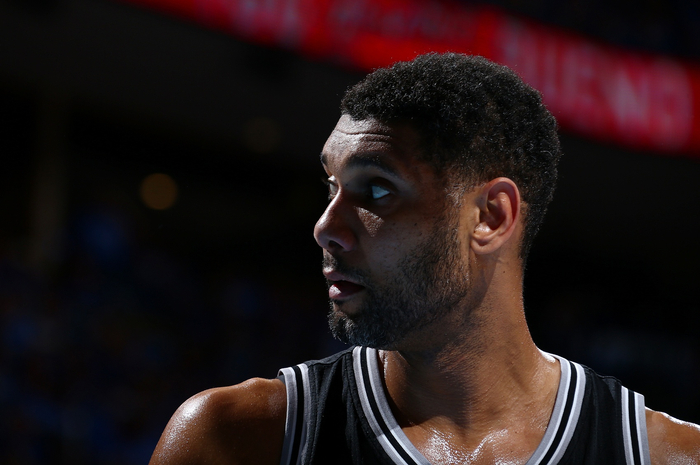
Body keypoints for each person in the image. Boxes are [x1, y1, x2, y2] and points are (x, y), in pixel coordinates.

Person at [149, 53, 700, 464]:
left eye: (377, 190)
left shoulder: (669, 456)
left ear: (490, 217)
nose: (325, 228)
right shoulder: (236, 439)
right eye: (332, 187)